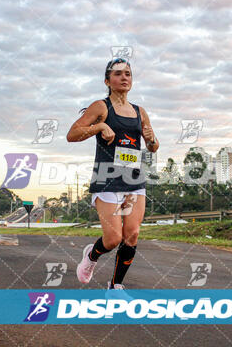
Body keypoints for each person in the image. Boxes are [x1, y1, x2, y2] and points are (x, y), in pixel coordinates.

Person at [66, 57, 159, 291]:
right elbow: (72, 134)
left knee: (133, 234)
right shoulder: (101, 106)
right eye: (118, 74)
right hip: (107, 178)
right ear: (107, 80)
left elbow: (153, 146)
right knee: (113, 239)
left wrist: (151, 140)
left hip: (133, 179)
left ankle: (115, 286)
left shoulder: (140, 112)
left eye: (128, 73)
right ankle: (91, 256)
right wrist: (99, 126)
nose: (124, 77)